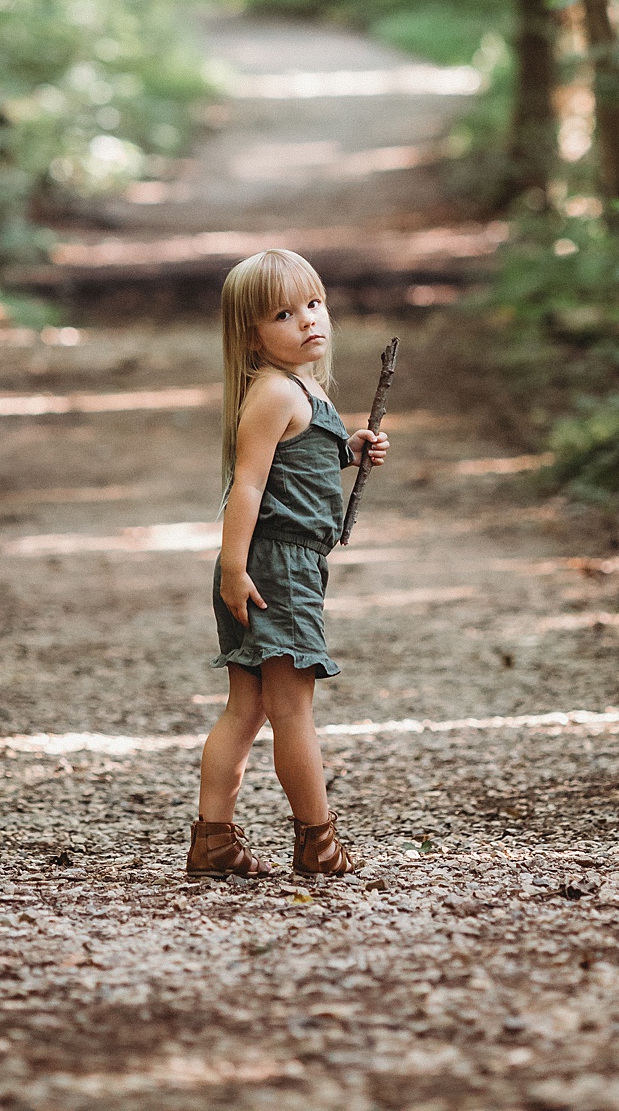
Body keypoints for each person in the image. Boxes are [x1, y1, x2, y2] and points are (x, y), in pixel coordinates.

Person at [187, 247, 388, 880]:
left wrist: (346, 451)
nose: (308, 320)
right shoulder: (274, 394)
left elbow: (290, 474)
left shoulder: (301, 389)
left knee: (247, 708)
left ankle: (214, 840)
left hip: (274, 563)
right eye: (283, 313)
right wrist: (233, 568)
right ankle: (317, 841)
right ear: (251, 334)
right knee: (291, 709)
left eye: (314, 303)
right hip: (276, 569)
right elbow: (247, 488)